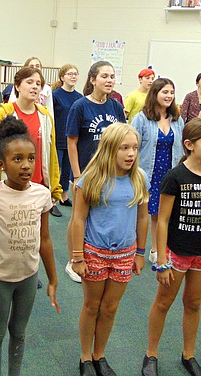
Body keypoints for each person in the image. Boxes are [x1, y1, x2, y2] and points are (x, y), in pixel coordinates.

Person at [0, 116, 60, 376]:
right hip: (0, 277)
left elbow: (45, 240)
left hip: (29, 277)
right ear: (1, 164)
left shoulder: (42, 194)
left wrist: (52, 279)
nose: (25, 165)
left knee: (19, 333)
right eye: (17, 159)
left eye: (31, 158)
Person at [142, 118, 201, 376]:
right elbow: (162, 221)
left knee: (193, 304)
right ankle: (151, 354)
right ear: (189, 145)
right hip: (176, 254)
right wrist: (161, 260)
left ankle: (188, 354)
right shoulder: (175, 176)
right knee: (163, 303)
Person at [71, 122, 149, 376]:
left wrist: (140, 253)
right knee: (92, 305)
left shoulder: (139, 177)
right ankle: (85, 356)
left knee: (110, 307)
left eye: (134, 148)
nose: (130, 154)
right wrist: (77, 257)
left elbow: (142, 218)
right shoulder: (91, 179)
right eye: (124, 148)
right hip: (94, 252)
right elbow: (78, 219)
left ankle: (99, 354)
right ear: (109, 149)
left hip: (125, 253)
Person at [66, 61, 126, 283]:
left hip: (110, 172)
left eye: (112, 76)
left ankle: (93, 254)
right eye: (104, 76)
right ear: (92, 80)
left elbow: (122, 139)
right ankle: (73, 258)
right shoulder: (80, 106)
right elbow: (72, 142)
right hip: (86, 172)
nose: (110, 80)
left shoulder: (116, 107)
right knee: (78, 216)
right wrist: (76, 174)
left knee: (98, 215)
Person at [0, 67, 63, 219]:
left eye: (38, 84)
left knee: (35, 234)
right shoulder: (4, 113)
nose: (34, 86)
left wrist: (54, 187)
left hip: (37, 186)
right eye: (29, 82)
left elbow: (51, 154)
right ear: (17, 86)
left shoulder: (45, 116)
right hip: (10, 186)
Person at [132, 78, 185, 265]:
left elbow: (183, 146)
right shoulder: (141, 118)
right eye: (165, 92)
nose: (169, 96)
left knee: (162, 213)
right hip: (147, 171)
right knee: (142, 212)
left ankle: (156, 248)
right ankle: (136, 248)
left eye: (171, 92)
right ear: (155, 94)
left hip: (170, 172)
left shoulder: (177, 119)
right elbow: (131, 145)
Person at [52, 64, 83, 208]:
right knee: (55, 170)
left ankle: (64, 196)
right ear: (62, 77)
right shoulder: (55, 96)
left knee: (67, 170)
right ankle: (52, 201)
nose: (73, 77)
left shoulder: (79, 98)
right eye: (70, 74)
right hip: (57, 138)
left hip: (72, 140)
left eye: (75, 74)